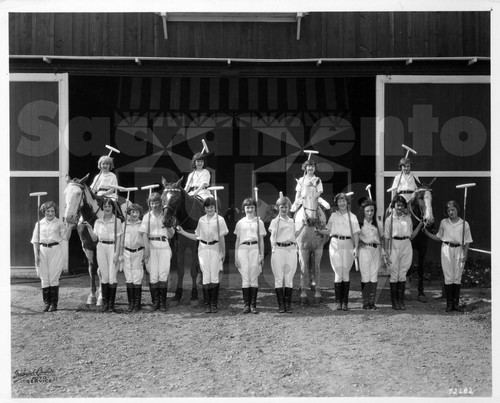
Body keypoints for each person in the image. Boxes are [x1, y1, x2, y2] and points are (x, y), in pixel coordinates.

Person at [177, 197, 229, 314]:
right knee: (206, 276)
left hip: (215, 248)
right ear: (204, 208)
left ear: (215, 207)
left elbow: (222, 238)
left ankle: (214, 304)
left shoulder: (219, 220)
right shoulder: (201, 220)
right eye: (207, 207)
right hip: (203, 248)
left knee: (214, 276)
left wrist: (223, 252)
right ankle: (207, 304)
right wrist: (183, 232)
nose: (209, 209)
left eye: (212, 207)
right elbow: (197, 237)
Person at [423, 200, 472, 312]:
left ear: (457, 210)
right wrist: (426, 233)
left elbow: (467, 241)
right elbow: (439, 237)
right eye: (449, 210)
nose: (451, 212)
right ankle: (449, 305)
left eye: (453, 209)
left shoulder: (464, 224)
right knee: (448, 276)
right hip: (446, 249)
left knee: (457, 276)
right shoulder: (444, 222)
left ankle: (456, 304)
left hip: (459, 249)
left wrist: (465, 253)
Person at [318, 193, 360, 311]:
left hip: (348, 244)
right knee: (338, 272)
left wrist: (356, 248)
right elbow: (328, 230)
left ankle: (345, 302)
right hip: (335, 243)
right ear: (337, 203)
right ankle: (338, 302)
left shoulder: (353, 217)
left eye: (344, 201)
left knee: (345, 272)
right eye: (340, 201)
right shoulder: (333, 216)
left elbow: (356, 234)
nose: (342, 203)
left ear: (347, 202)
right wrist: (319, 231)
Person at [384, 195, 424, 310]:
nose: (400, 207)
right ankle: (394, 302)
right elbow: (387, 237)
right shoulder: (389, 220)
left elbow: (411, 236)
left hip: (406, 244)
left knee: (403, 273)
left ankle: (401, 301)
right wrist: (386, 252)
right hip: (394, 245)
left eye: (402, 205)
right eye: (398, 205)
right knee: (394, 273)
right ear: (394, 206)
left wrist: (420, 225)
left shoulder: (408, 219)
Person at [31, 201, 72, 312]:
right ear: (44, 212)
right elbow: (35, 240)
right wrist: (36, 255)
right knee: (44, 278)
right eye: (48, 211)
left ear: (55, 211)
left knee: (53, 278)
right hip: (43, 251)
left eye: (52, 211)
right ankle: (46, 303)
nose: (50, 213)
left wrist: (70, 227)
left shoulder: (59, 223)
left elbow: (66, 237)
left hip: (55, 250)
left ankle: (54, 304)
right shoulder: (39, 224)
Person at [84, 198, 123, 312]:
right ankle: (105, 304)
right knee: (104, 275)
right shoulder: (98, 222)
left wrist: (117, 253)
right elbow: (95, 238)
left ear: (113, 208)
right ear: (102, 208)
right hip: (101, 247)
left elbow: (119, 238)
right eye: (105, 206)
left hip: (112, 247)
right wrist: (90, 228)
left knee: (112, 277)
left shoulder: (117, 222)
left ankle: (111, 304)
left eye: (109, 206)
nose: (107, 208)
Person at [269, 195, 305, 313]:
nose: (283, 209)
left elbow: (294, 236)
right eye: (281, 207)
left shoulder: (291, 221)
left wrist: (303, 226)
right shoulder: (275, 221)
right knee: (279, 278)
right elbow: (272, 236)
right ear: (278, 208)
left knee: (289, 279)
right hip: (279, 249)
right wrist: (273, 247)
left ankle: (288, 305)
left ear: (289, 208)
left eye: (285, 207)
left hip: (291, 250)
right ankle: (281, 305)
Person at [139, 192, 175, 311]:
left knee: (163, 274)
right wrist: (147, 248)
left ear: (161, 203)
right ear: (149, 204)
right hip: (151, 245)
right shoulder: (147, 216)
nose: (154, 205)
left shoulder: (165, 215)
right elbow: (144, 233)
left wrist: (169, 226)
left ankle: (163, 303)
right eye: (152, 203)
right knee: (153, 275)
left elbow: (170, 235)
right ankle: (155, 302)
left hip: (163, 244)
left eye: (156, 202)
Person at [234, 197, 267, 314]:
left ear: (255, 209)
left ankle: (253, 305)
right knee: (245, 278)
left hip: (254, 248)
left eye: (252, 207)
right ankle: (246, 305)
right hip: (243, 249)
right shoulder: (240, 223)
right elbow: (237, 240)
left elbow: (261, 240)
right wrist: (235, 256)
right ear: (244, 209)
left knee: (254, 277)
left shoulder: (259, 222)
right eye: (247, 207)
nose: (250, 209)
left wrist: (262, 255)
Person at [357, 198, 386, 310]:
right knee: (365, 275)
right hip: (365, 250)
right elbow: (354, 238)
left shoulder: (378, 223)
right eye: (368, 210)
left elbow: (382, 238)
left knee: (374, 275)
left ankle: (372, 302)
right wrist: (359, 243)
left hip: (376, 250)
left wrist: (383, 251)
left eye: (372, 210)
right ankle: (365, 302)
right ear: (363, 211)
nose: (370, 213)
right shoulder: (359, 224)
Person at [121, 203, 145, 312]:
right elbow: (121, 241)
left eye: (137, 212)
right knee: (128, 277)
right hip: (126, 252)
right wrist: (120, 253)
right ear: (129, 213)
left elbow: (146, 240)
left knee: (137, 277)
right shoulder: (124, 225)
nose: (134, 214)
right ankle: (130, 303)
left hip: (138, 252)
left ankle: (137, 304)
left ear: (140, 214)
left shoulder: (143, 225)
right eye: (132, 212)